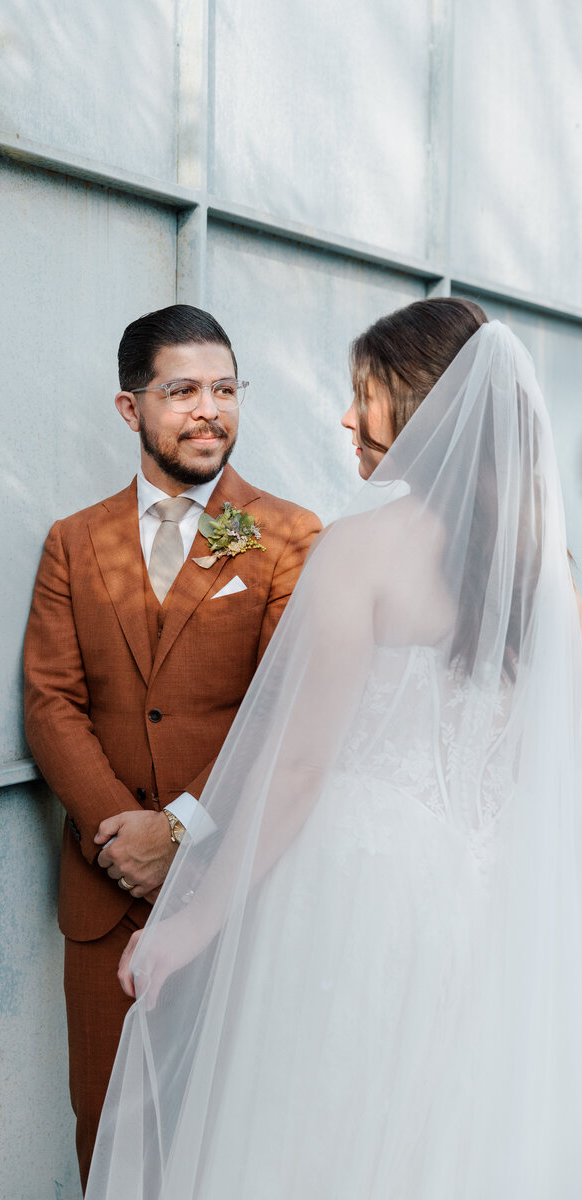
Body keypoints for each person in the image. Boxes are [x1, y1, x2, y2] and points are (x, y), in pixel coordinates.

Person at [86, 298, 582, 1199]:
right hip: (486, 908)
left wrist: (191, 923)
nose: (348, 419)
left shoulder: (356, 551)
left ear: (424, 410)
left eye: (368, 396)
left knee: (310, 1144)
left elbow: (302, 765)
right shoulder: (547, 573)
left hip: (360, 901)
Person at [22, 303, 321, 1188]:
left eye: (226, 389)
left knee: (234, 1131)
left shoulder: (290, 536)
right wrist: (126, 835)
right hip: (104, 892)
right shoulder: (74, 543)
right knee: (106, 1133)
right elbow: (50, 703)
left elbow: (284, 713)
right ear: (130, 408)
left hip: (237, 889)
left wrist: (181, 832)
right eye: (183, 389)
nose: (210, 411)